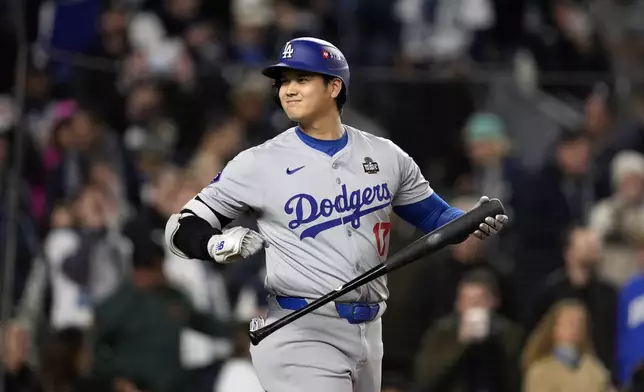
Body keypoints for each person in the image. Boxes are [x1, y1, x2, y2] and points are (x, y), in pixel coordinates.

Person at [164, 37, 508, 392]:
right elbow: (180, 228)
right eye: (283, 82)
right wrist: (214, 244)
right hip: (300, 328)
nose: (288, 90)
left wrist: (471, 221)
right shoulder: (259, 162)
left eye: (301, 79)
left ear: (334, 86)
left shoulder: (386, 156)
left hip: (369, 329)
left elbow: (435, 217)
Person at [414, 269, 523, 392]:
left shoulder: (510, 334)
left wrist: (493, 344)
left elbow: (517, 380)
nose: (474, 306)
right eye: (467, 300)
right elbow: (426, 380)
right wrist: (460, 345)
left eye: (480, 300)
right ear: (458, 304)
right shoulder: (442, 332)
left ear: (495, 302)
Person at [522, 299, 611, 392]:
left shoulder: (595, 368)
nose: (576, 328)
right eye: (570, 322)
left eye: (580, 323)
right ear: (554, 328)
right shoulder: (541, 372)